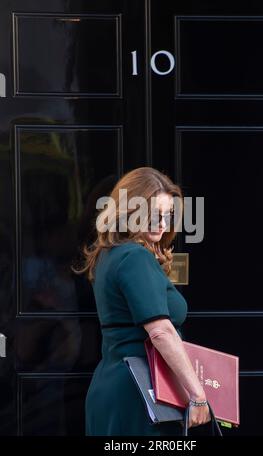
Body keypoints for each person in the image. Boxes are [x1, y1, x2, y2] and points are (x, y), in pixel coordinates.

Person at [73, 166, 210, 436]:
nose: (162, 223)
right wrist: (198, 396)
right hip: (140, 394)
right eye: (153, 214)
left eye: (167, 215)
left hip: (116, 387)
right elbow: (160, 331)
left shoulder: (110, 254)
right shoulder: (135, 257)